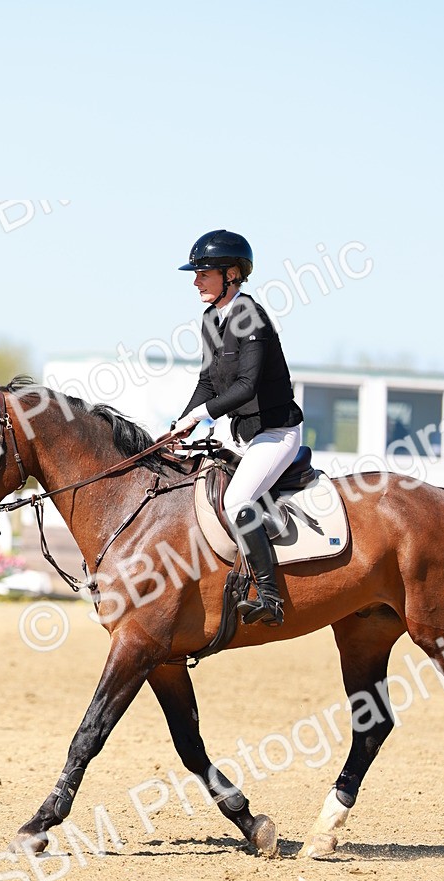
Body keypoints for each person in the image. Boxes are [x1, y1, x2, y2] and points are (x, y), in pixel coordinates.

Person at [169, 229, 303, 626]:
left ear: (231, 274)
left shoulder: (252, 318)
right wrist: (181, 424)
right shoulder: (212, 319)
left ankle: (270, 597)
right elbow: (209, 382)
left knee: (236, 500)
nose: (195, 282)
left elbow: (247, 385)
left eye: (203, 274)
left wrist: (202, 415)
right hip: (245, 435)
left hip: (277, 433)